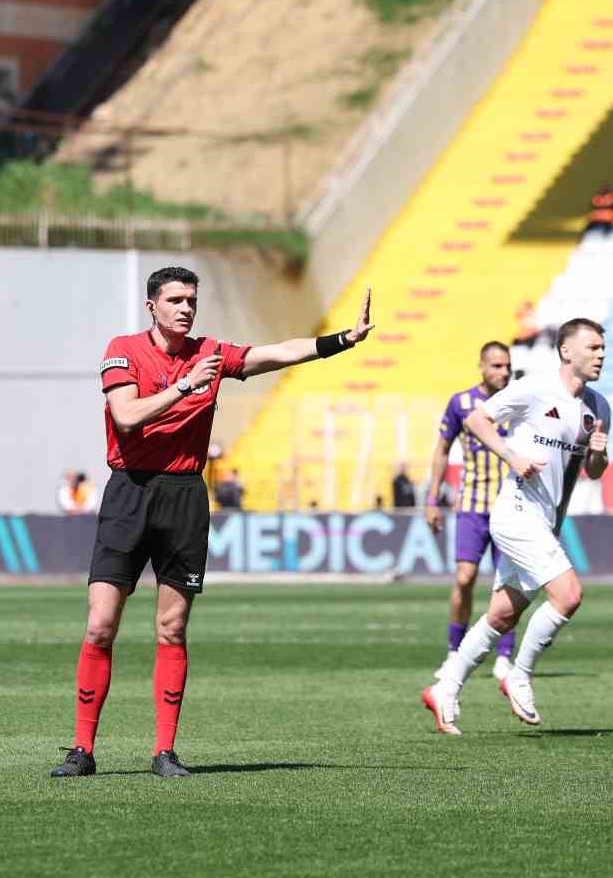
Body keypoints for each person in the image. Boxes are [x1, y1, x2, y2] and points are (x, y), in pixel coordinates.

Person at [49, 268, 374, 778]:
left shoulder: (211, 353)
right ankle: (82, 750)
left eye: (192, 301)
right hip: (130, 491)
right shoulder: (124, 350)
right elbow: (127, 416)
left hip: (184, 496)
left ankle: (164, 752)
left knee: (172, 627)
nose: (185, 309)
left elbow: (277, 352)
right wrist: (185, 386)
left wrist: (341, 340)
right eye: (175, 300)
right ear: (152, 305)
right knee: (100, 624)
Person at [423, 319, 611, 734]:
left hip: (547, 522)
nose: (601, 355)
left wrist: (598, 453)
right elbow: (477, 420)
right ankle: (519, 674)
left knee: (502, 616)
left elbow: (594, 472)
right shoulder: (535, 388)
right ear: (566, 352)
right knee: (569, 595)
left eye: (603, 348)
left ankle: (444, 688)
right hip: (516, 513)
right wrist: (512, 456)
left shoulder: (598, 408)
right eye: (593, 347)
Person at [424, 342, 516, 693]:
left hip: (511, 507)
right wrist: (432, 498)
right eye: (496, 366)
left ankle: (505, 657)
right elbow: (442, 450)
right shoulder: (460, 403)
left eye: (507, 366)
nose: (503, 372)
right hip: (472, 505)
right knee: (464, 578)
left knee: (508, 583)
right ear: (481, 367)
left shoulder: (518, 401)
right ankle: (454, 651)